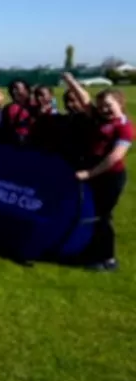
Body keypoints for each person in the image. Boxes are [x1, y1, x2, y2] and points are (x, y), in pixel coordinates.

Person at [74, 88, 133, 271]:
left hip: (110, 177)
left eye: (108, 105)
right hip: (96, 176)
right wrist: (70, 81)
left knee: (102, 216)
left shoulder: (124, 126)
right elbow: (85, 101)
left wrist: (89, 174)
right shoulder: (101, 120)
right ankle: (94, 253)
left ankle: (108, 259)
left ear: (120, 103)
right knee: (93, 214)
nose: (104, 110)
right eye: (100, 106)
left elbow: (115, 156)